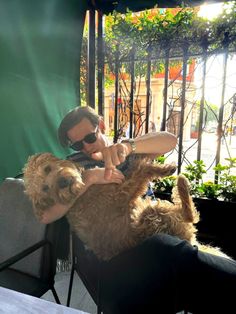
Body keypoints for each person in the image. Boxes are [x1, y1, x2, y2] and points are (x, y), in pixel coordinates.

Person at [42, 106, 236, 313]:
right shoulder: (71, 168)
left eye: (90, 138)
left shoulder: (128, 150)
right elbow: (47, 214)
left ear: (101, 126)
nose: (86, 148)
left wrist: (128, 147)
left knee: (186, 269)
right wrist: (88, 179)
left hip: (157, 230)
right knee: (173, 253)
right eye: (78, 145)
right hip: (118, 250)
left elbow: (170, 140)